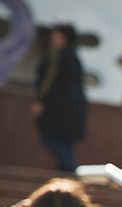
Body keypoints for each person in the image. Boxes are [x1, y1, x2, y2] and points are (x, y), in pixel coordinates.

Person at [32, 24, 87, 173]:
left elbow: (48, 81)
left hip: (58, 113)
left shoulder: (59, 57)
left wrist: (40, 100)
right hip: (68, 114)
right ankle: (65, 178)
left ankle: (70, 174)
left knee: (53, 140)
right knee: (64, 145)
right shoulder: (72, 57)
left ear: (62, 37)